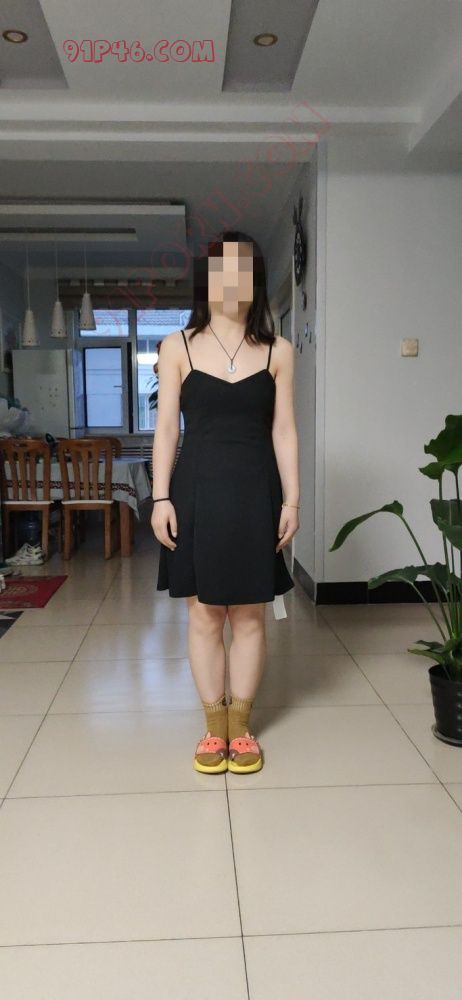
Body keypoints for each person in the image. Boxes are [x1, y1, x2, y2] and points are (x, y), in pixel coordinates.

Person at [151, 230, 300, 774]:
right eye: (221, 268)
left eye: (243, 269)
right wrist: (160, 496)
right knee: (204, 616)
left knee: (250, 615)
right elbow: (167, 429)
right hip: (195, 493)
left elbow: (284, 430)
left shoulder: (279, 351)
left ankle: (243, 727)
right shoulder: (177, 346)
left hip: (257, 492)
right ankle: (215, 729)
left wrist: (293, 500)